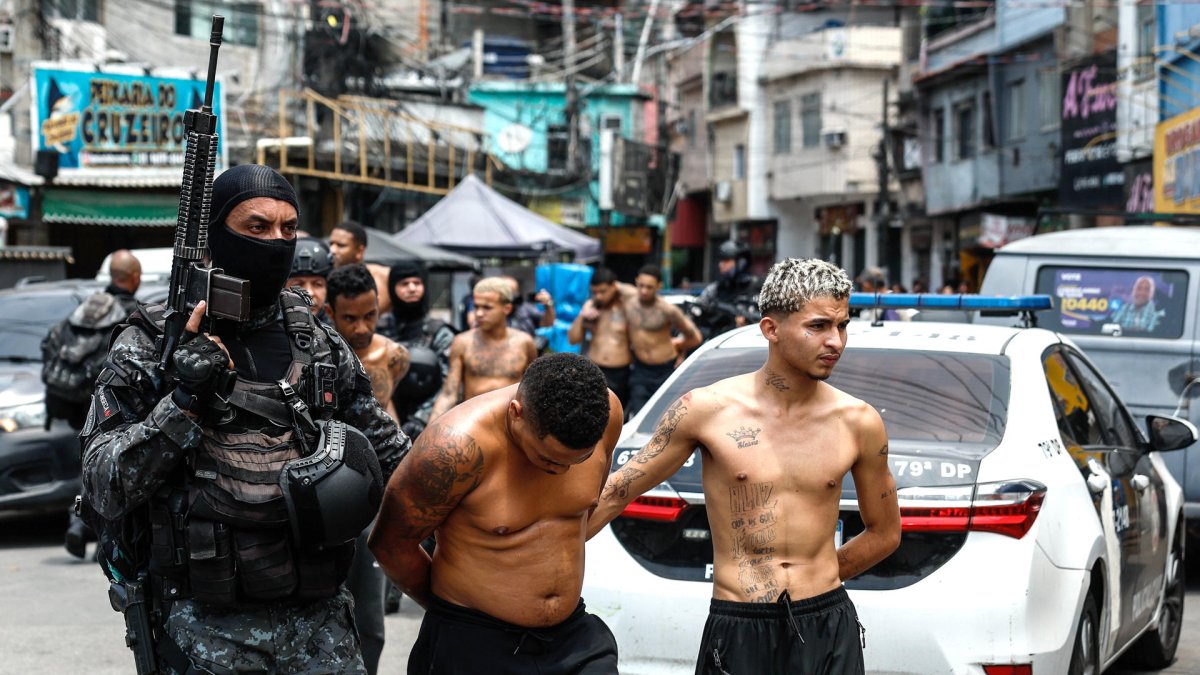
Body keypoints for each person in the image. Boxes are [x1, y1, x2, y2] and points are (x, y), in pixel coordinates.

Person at [80, 164, 409, 674]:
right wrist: (185, 398)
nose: (276, 241)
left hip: (322, 629)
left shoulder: (315, 338)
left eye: (287, 228)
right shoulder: (152, 342)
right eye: (256, 227)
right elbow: (104, 484)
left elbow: (390, 454)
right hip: (203, 632)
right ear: (214, 237)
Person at [587, 258, 901, 675]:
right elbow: (613, 493)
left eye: (842, 325)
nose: (836, 342)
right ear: (771, 329)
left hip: (827, 621)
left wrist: (821, 575)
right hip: (739, 624)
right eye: (818, 326)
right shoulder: (706, 410)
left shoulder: (859, 422)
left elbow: (885, 532)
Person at [369, 353, 624, 674]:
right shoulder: (452, 449)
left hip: (571, 638)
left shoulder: (606, 412)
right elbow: (391, 545)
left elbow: (584, 511)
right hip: (473, 639)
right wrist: (451, 614)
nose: (561, 472)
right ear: (517, 414)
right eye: (548, 459)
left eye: (576, 461)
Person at [325, 263, 411, 675]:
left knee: (369, 614)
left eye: (370, 315)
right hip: (326, 485)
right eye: (350, 318)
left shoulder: (394, 355)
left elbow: (390, 412)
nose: (361, 327)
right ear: (330, 313)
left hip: (377, 479)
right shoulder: (317, 357)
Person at [43, 249, 141, 559]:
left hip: (73, 403)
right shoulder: (132, 314)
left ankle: (81, 522)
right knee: (108, 464)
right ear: (135, 279)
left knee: (87, 461)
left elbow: (50, 344)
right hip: (110, 404)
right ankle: (87, 524)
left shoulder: (87, 309)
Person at [429, 277, 538, 422]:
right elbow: (449, 393)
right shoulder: (462, 342)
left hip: (512, 424)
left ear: (507, 308)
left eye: (487, 307)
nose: (479, 313)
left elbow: (533, 389)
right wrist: (430, 430)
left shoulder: (524, 343)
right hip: (474, 421)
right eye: (476, 307)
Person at [376, 259, 458, 439]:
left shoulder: (439, 332)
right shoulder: (378, 329)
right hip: (383, 423)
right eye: (404, 284)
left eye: (417, 283)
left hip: (429, 425)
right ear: (392, 288)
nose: (412, 288)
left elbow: (448, 383)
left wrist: (421, 418)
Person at [626, 265, 704, 416]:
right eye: (641, 286)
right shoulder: (629, 306)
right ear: (636, 282)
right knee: (638, 416)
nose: (644, 291)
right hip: (640, 371)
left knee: (665, 417)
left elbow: (695, 338)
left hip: (664, 371)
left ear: (659, 286)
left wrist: (677, 344)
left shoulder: (667, 310)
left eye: (649, 287)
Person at [569, 267, 632, 408]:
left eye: (603, 291)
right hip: (594, 370)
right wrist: (582, 315)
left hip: (620, 373)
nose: (599, 296)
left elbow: (636, 293)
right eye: (594, 292)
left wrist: (619, 286)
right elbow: (573, 339)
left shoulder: (626, 307)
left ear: (614, 286)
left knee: (618, 414)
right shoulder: (591, 308)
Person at [696, 239, 762, 336]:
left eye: (726, 260)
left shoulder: (759, 288)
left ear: (741, 262)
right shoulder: (715, 290)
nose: (721, 264)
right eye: (721, 260)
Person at [329, 219, 395, 314]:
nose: (333, 250)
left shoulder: (384, 277)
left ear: (360, 251)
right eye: (331, 244)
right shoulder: (323, 279)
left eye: (341, 245)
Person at [286, 238, 335, 323]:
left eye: (317, 284)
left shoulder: (340, 329)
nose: (310, 293)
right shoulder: (268, 331)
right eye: (298, 285)